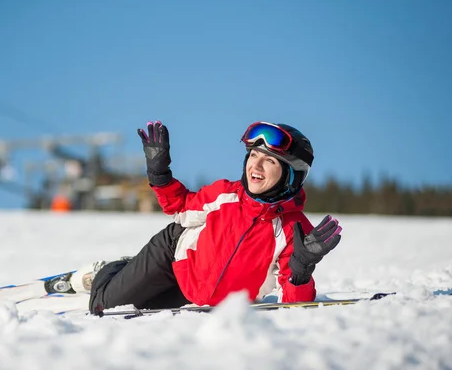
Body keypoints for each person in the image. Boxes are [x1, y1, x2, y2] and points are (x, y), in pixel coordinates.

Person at [46, 120, 342, 315]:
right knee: (103, 307)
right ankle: (107, 272)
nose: (256, 165)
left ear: (290, 174)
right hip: (173, 258)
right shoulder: (225, 195)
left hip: (196, 297)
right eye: (253, 155)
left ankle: (127, 271)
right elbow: (180, 206)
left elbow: (295, 305)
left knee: (140, 309)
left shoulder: (293, 230)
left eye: (269, 160)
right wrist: (159, 175)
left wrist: (301, 271)